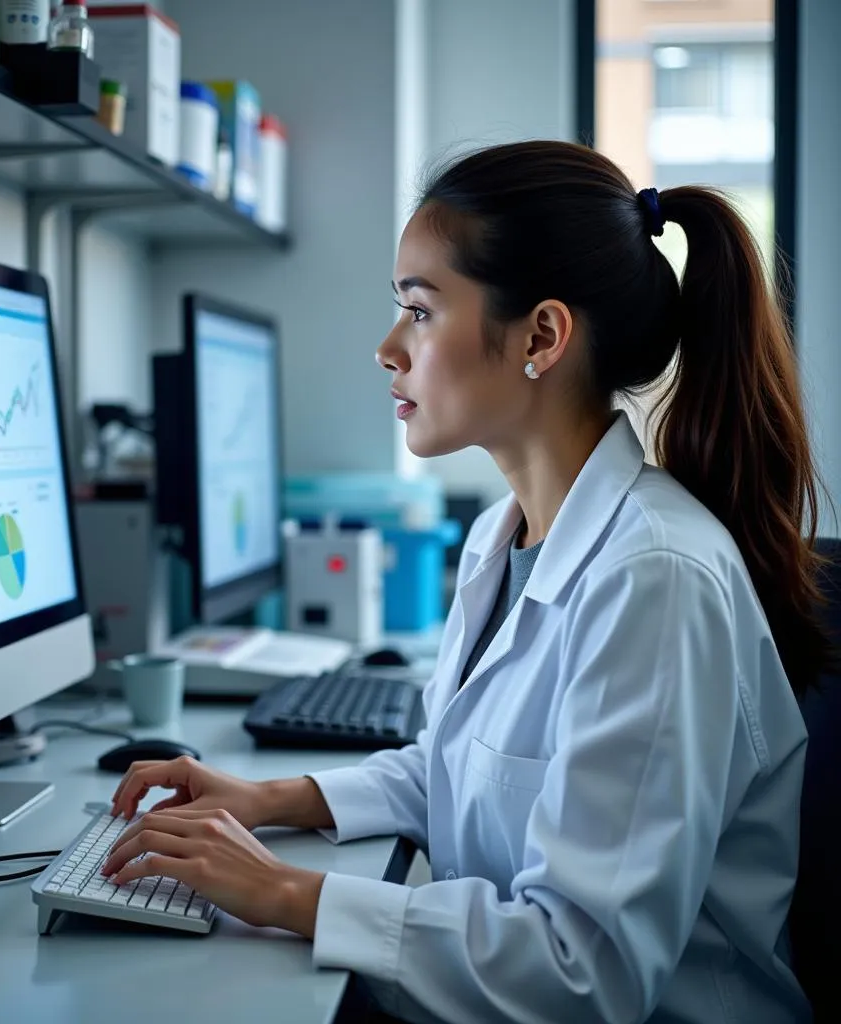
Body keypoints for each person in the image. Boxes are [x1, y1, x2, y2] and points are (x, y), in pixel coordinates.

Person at [102, 141, 828, 1024]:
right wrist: (268, 800)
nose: (387, 349)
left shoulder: (655, 580)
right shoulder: (507, 533)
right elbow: (469, 771)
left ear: (542, 336)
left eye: (418, 310)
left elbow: (584, 967)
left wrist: (285, 893)